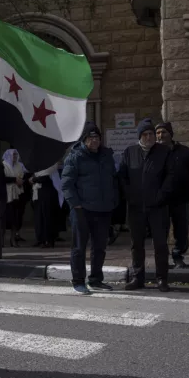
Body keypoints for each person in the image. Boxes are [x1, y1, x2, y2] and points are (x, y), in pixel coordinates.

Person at [61, 122, 118, 294]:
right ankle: (78, 280)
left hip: (103, 209)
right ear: (84, 139)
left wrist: (113, 200)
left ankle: (96, 279)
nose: (94, 141)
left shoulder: (107, 155)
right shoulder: (75, 156)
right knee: (79, 247)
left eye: (97, 137)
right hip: (82, 210)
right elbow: (66, 184)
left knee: (100, 247)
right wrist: (75, 204)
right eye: (90, 138)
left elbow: (113, 180)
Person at [119, 118, 174, 293]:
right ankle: (138, 277)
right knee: (137, 244)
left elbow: (170, 177)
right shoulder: (130, 152)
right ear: (140, 136)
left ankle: (161, 278)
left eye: (151, 133)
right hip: (136, 207)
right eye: (145, 134)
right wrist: (130, 195)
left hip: (158, 207)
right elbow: (122, 177)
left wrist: (161, 196)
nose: (149, 137)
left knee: (160, 244)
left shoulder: (164, 152)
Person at [155, 122, 189, 268]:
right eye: (158, 133)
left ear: (171, 134)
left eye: (164, 132)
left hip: (180, 199)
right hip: (160, 201)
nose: (161, 136)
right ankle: (162, 260)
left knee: (181, 230)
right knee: (160, 231)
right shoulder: (153, 153)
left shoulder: (184, 151)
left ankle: (178, 255)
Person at [31, 163, 60, 249]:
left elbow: (45, 178)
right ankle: (41, 239)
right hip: (39, 195)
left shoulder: (51, 165)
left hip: (47, 196)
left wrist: (34, 179)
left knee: (47, 218)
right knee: (39, 218)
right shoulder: (39, 167)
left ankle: (49, 240)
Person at [2, 149, 26, 247]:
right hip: (6, 193)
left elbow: (21, 176)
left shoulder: (19, 165)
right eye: (13, 155)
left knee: (15, 218)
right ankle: (2, 240)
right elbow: (2, 178)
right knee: (4, 218)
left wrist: (20, 181)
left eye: (16, 154)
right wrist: (15, 179)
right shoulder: (3, 165)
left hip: (17, 193)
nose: (15, 157)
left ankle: (13, 239)